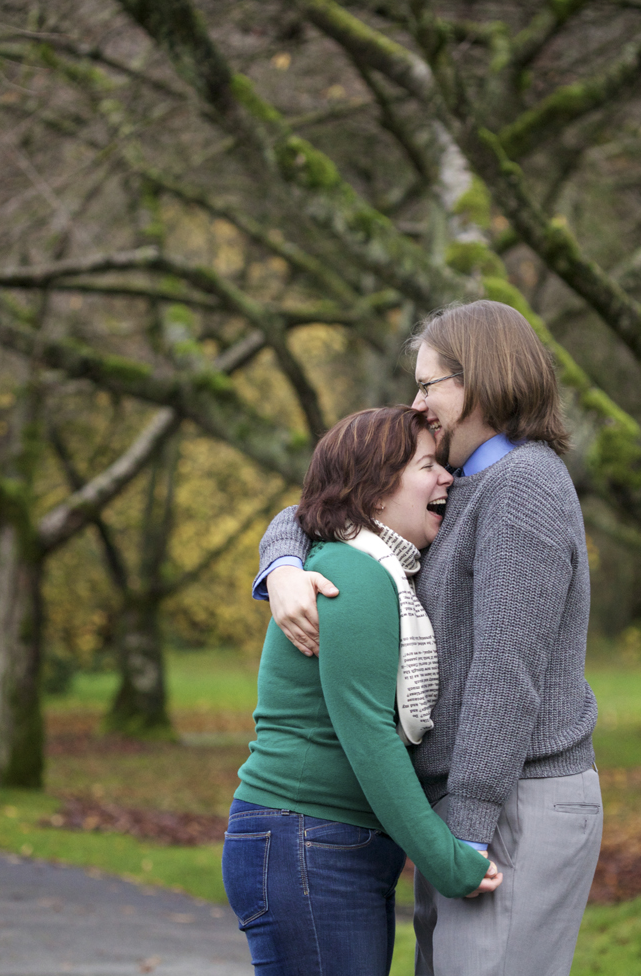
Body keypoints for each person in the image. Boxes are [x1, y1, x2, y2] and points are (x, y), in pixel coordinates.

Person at [254, 301, 602, 976]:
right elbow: (329, 500)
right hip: (467, 804)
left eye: (427, 384)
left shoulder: (522, 486)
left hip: (514, 802)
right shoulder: (458, 483)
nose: (416, 404)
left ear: (477, 381)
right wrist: (284, 564)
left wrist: (464, 831)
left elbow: (508, 676)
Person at [223, 405, 501, 977]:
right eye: (428, 465)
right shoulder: (355, 575)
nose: (448, 477)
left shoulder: (373, 565)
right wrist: (450, 863)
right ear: (375, 492)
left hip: (315, 842)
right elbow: (370, 738)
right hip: (305, 840)